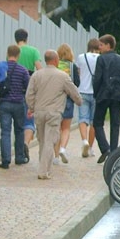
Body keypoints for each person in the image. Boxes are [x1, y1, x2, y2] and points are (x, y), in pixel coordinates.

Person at [25, 49, 82, 180]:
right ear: (56, 61)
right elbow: (74, 92)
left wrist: (32, 107)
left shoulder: (37, 75)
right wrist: (79, 101)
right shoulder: (62, 76)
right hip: (54, 113)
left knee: (42, 141)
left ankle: (44, 167)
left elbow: (29, 94)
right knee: (49, 142)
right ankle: (43, 171)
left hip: (39, 112)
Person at [92, 34, 120, 164]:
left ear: (108, 45)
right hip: (117, 96)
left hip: (103, 94)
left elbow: (97, 78)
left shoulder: (101, 59)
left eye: (101, 45)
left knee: (97, 123)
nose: (99, 47)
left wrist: (96, 93)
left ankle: (105, 148)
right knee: (115, 124)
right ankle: (114, 152)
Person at [0, 44, 30, 168]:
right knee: (19, 131)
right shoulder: (23, 70)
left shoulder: (0, 68)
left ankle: (6, 161)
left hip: (4, 104)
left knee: (5, 132)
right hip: (19, 104)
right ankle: (19, 158)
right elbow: (29, 89)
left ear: (7, 54)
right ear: (18, 55)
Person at [15, 28, 43, 162]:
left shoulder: (13, 51)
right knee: (29, 120)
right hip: (29, 89)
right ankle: (26, 143)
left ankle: (19, 147)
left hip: (14, 90)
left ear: (16, 39)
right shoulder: (33, 51)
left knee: (17, 121)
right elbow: (40, 69)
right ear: (26, 38)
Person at [54, 43, 80, 164]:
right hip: (68, 99)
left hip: (55, 100)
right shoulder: (72, 66)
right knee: (66, 128)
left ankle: (55, 156)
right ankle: (63, 149)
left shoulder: (55, 65)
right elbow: (77, 83)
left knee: (56, 129)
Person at [74, 38, 100, 158]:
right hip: (96, 92)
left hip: (83, 91)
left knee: (83, 119)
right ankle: (90, 147)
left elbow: (79, 73)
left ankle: (84, 140)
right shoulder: (101, 58)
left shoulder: (81, 57)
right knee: (94, 121)